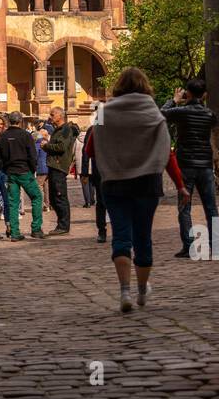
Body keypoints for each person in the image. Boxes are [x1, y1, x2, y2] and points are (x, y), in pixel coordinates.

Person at [94, 66, 187, 313]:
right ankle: (143, 291)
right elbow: (166, 153)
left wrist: (112, 158)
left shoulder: (103, 111)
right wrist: (179, 184)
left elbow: (90, 149)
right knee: (143, 236)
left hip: (114, 181)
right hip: (146, 181)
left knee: (121, 236)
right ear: (145, 86)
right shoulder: (153, 112)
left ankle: (124, 290)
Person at [161, 79, 219, 257]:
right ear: (205, 95)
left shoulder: (182, 112)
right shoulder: (210, 114)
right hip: (205, 165)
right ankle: (215, 246)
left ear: (188, 93)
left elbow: (162, 113)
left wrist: (174, 100)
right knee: (211, 207)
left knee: (184, 207)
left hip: (186, 164)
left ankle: (188, 246)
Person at [0, 111, 45, 241]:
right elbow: (32, 155)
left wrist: (5, 169)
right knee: (37, 197)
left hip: (10, 173)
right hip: (24, 171)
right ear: (20, 121)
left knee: (13, 203)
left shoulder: (3, 136)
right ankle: (36, 228)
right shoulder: (25, 135)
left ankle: (15, 232)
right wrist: (32, 169)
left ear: (9, 121)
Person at [43, 106, 80, 235]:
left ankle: (63, 226)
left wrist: (46, 146)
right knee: (54, 198)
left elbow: (62, 147)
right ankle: (61, 224)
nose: (50, 117)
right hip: (54, 166)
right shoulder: (58, 130)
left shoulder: (65, 130)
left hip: (59, 166)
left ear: (60, 116)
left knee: (59, 196)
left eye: (52, 114)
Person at [82, 114, 108, 243]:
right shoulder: (93, 130)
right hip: (101, 170)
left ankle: (102, 231)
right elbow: (86, 152)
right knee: (102, 202)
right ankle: (102, 230)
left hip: (111, 170)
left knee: (103, 202)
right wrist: (85, 172)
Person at [34, 129, 50, 212]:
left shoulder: (38, 143)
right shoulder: (49, 143)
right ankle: (47, 205)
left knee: (39, 187)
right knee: (46, 187)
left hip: (41, 168)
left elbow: (35, 156)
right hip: (48, 168)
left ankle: (41, 205)